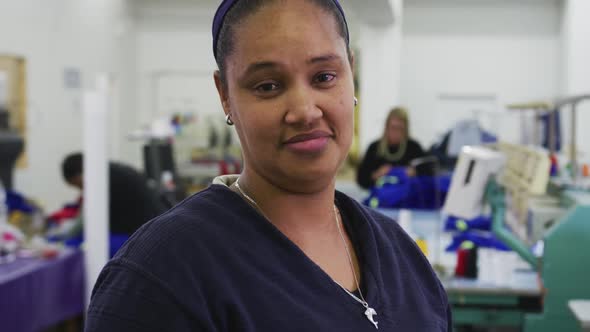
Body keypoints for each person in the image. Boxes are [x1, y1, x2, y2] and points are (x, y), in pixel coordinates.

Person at [85, 1, 452, 331]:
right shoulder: (163, 276)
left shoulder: (403, 257)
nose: (305, 110)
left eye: (324, 77)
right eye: (268, 86)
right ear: (225, 95)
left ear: (350, 73)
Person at [62, 153, 167, 235]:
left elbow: (85, 221)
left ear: (78, 175)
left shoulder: (100, 179)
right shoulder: (113, 170)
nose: (82, 190)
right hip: (152, 224)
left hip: (137, 232)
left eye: (78, 185)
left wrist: (64, 236)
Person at [357, 107, 427, 189]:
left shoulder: (414, 147)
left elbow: (428, 172)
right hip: (380, 196)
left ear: (405, 129)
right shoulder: (374, 148)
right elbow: (361, 179)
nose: (396, 132)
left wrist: (414, 172)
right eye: (393, 127)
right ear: (386, 127)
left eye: (400, 129)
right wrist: (376, 175)